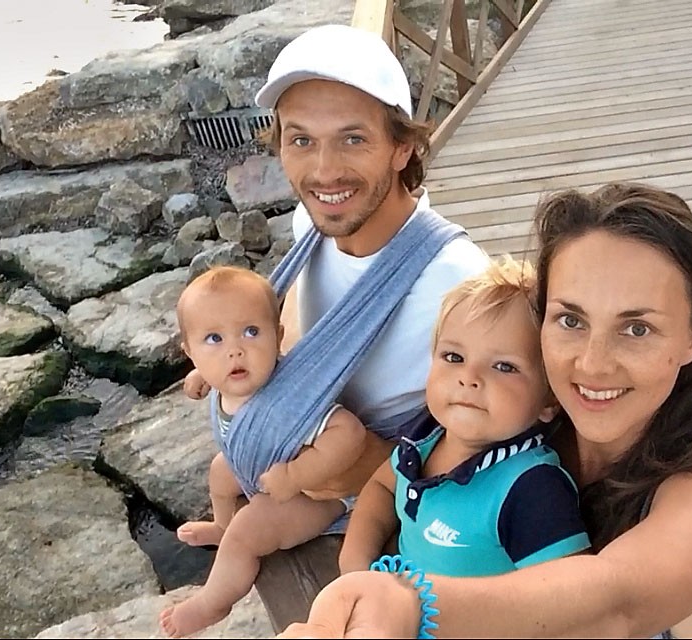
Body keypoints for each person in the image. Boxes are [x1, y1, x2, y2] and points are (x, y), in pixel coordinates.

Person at [277, 182, 692, 639]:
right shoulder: (524, 428)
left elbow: (613, 607)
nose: (593, 364)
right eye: (571, 320)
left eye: (636, 329)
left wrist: (409, 602)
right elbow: (415, 480)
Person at [183, 25, 489, 505]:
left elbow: (493, 457)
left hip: (379, 511)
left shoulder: (456, 281)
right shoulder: (311, 224)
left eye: (352, 139)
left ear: (402, 147)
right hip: (291, 478)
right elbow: (291, 324)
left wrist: (354, 465)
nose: (324, 171)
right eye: (301, 141)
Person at [338, 257, 590, 578]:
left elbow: (569, 594)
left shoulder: (530, 488)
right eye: (454, 357)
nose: (469, 377)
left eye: (504, 366)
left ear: (550, 398)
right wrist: (355, 565)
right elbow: (382, 487)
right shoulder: (422, 441)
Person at [162, 266, 370, 637]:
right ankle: (220, 526)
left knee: (247, 530)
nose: (235, 351)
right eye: (214, 339)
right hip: (258, 467)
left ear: (279, 336)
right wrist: (201, 376)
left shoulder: (289, 399)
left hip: (318, 496)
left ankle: (213, 601)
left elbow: (349, 433)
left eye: (251, 332)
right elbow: (221, 361)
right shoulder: (226, 375)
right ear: (190, 352)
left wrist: (296, 475)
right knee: (219, 473)